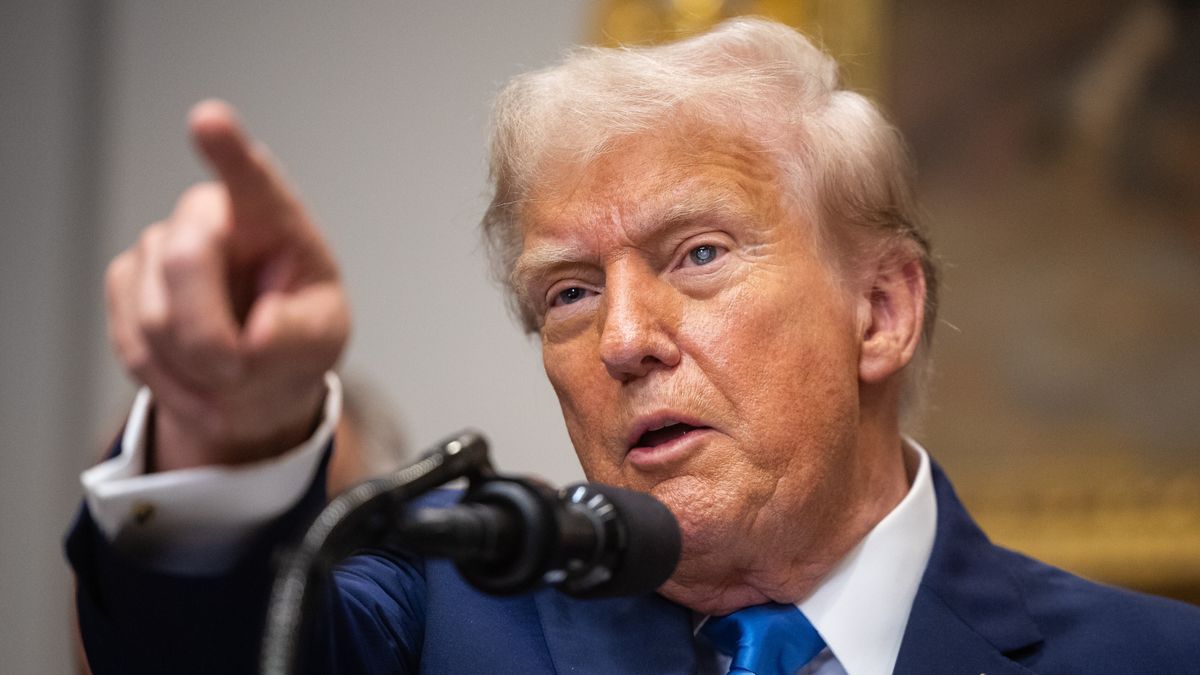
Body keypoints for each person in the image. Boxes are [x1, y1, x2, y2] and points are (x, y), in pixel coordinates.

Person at [67, 17, 1200, 675]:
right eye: (565, 294)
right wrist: (228, 442)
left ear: (881, 313)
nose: (620, 339)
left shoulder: (1150, 661)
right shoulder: (433, 627)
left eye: (698, 254)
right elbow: (207, 647)